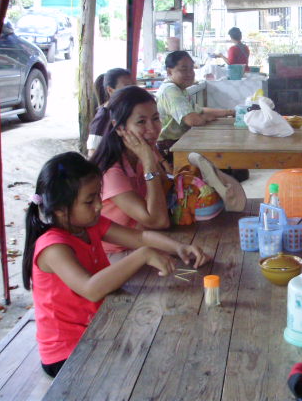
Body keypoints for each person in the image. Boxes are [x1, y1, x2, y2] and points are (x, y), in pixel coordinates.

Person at [22, 152, 210, 377]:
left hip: (100, 327)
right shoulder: (53, 247)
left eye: (98, 196)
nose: (99, 205)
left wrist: (178, 247)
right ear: (61, 209)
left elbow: (140, 237)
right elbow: (91, 289)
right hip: (67, 353)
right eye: (89, 201)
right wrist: (142, 256)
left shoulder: (88, 225)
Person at [90, 86, 172, 253]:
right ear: (119, 127)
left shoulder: (141, 151)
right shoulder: (111, 171)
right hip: (115, 255)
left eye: (155, 118)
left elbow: (166, 188)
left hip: (145, 241)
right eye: (141, 122)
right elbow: (159, 221)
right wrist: (149, 163)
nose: (152, 128)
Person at [156, 51, 235, 162]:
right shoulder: (170, 90)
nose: (190, 74)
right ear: (169, 71)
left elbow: (199, 110)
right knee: (225, 157)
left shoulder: (180, 88)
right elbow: (193, 120)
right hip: (170, 148)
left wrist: (230, 112)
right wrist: (204, 117)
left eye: (191, 68)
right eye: (184, 69)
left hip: (181, 141)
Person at [87, 68, 134, 157]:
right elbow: (92, 154)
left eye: (133, 86)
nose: (132, 91)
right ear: (110, 90)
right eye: (126, 87)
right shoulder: (103, 117)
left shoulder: (125, 110)